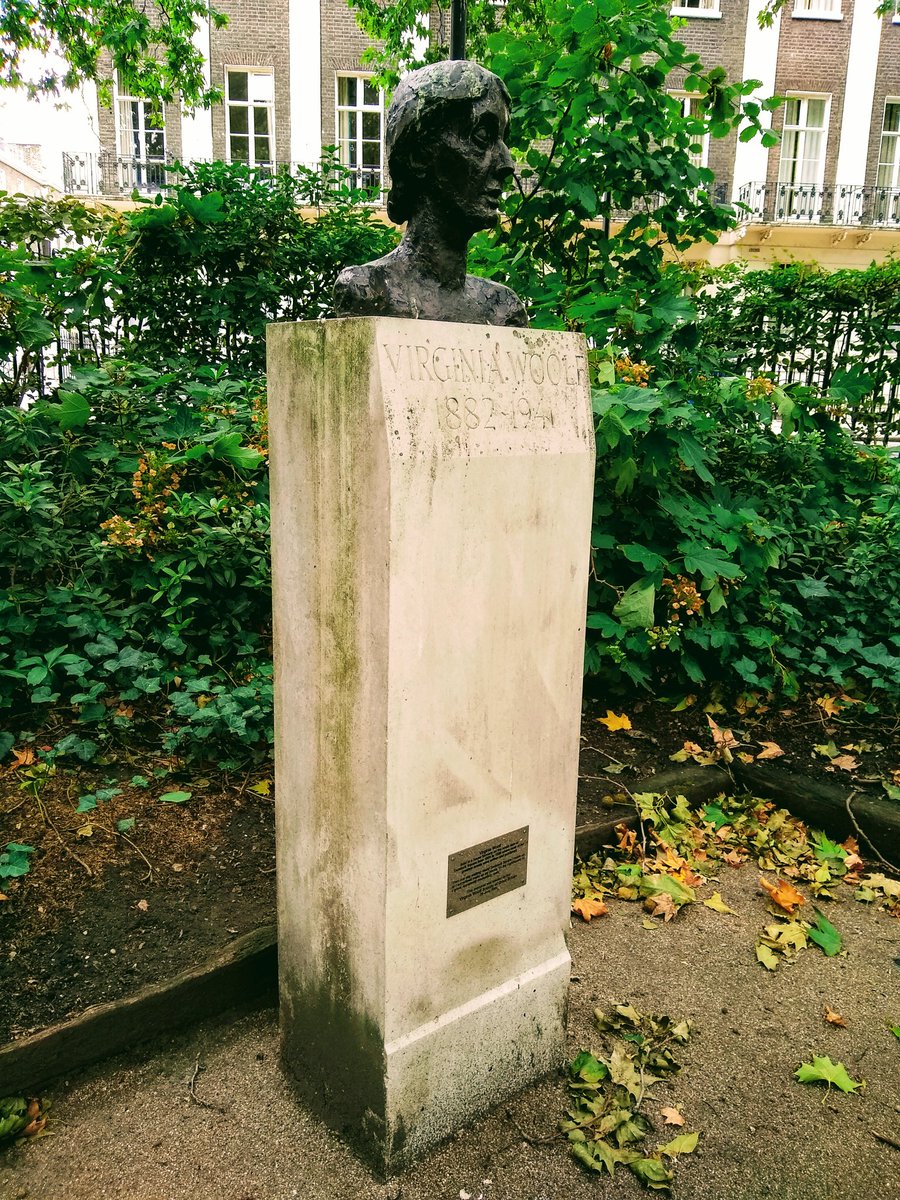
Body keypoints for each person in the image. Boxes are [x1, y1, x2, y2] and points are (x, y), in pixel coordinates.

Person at [333, 60, 527, 327]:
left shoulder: (502, 310)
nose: (507, 164)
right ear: (420, 155)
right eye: (482, 136)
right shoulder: (368, 292)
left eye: (503, 140)